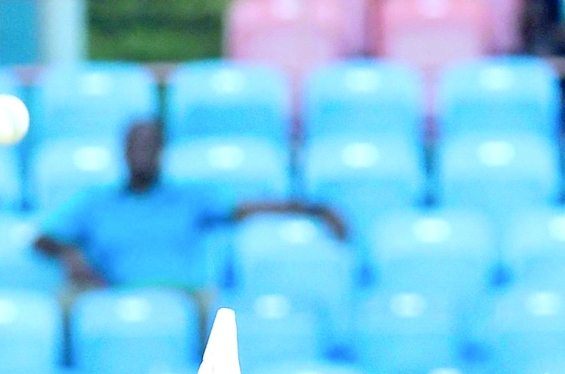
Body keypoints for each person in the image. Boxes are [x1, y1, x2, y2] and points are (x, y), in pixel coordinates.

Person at [35, 117, 348, 291]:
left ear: (162, 150)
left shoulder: (190, 198)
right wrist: (69, 253)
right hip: (111, 295)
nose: (141, 154)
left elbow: (249, 209)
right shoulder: (96, 202)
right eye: (135, 146)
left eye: (149, 146)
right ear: (123, 151)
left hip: (184, 296)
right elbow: (43, 237)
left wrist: (314, 209)